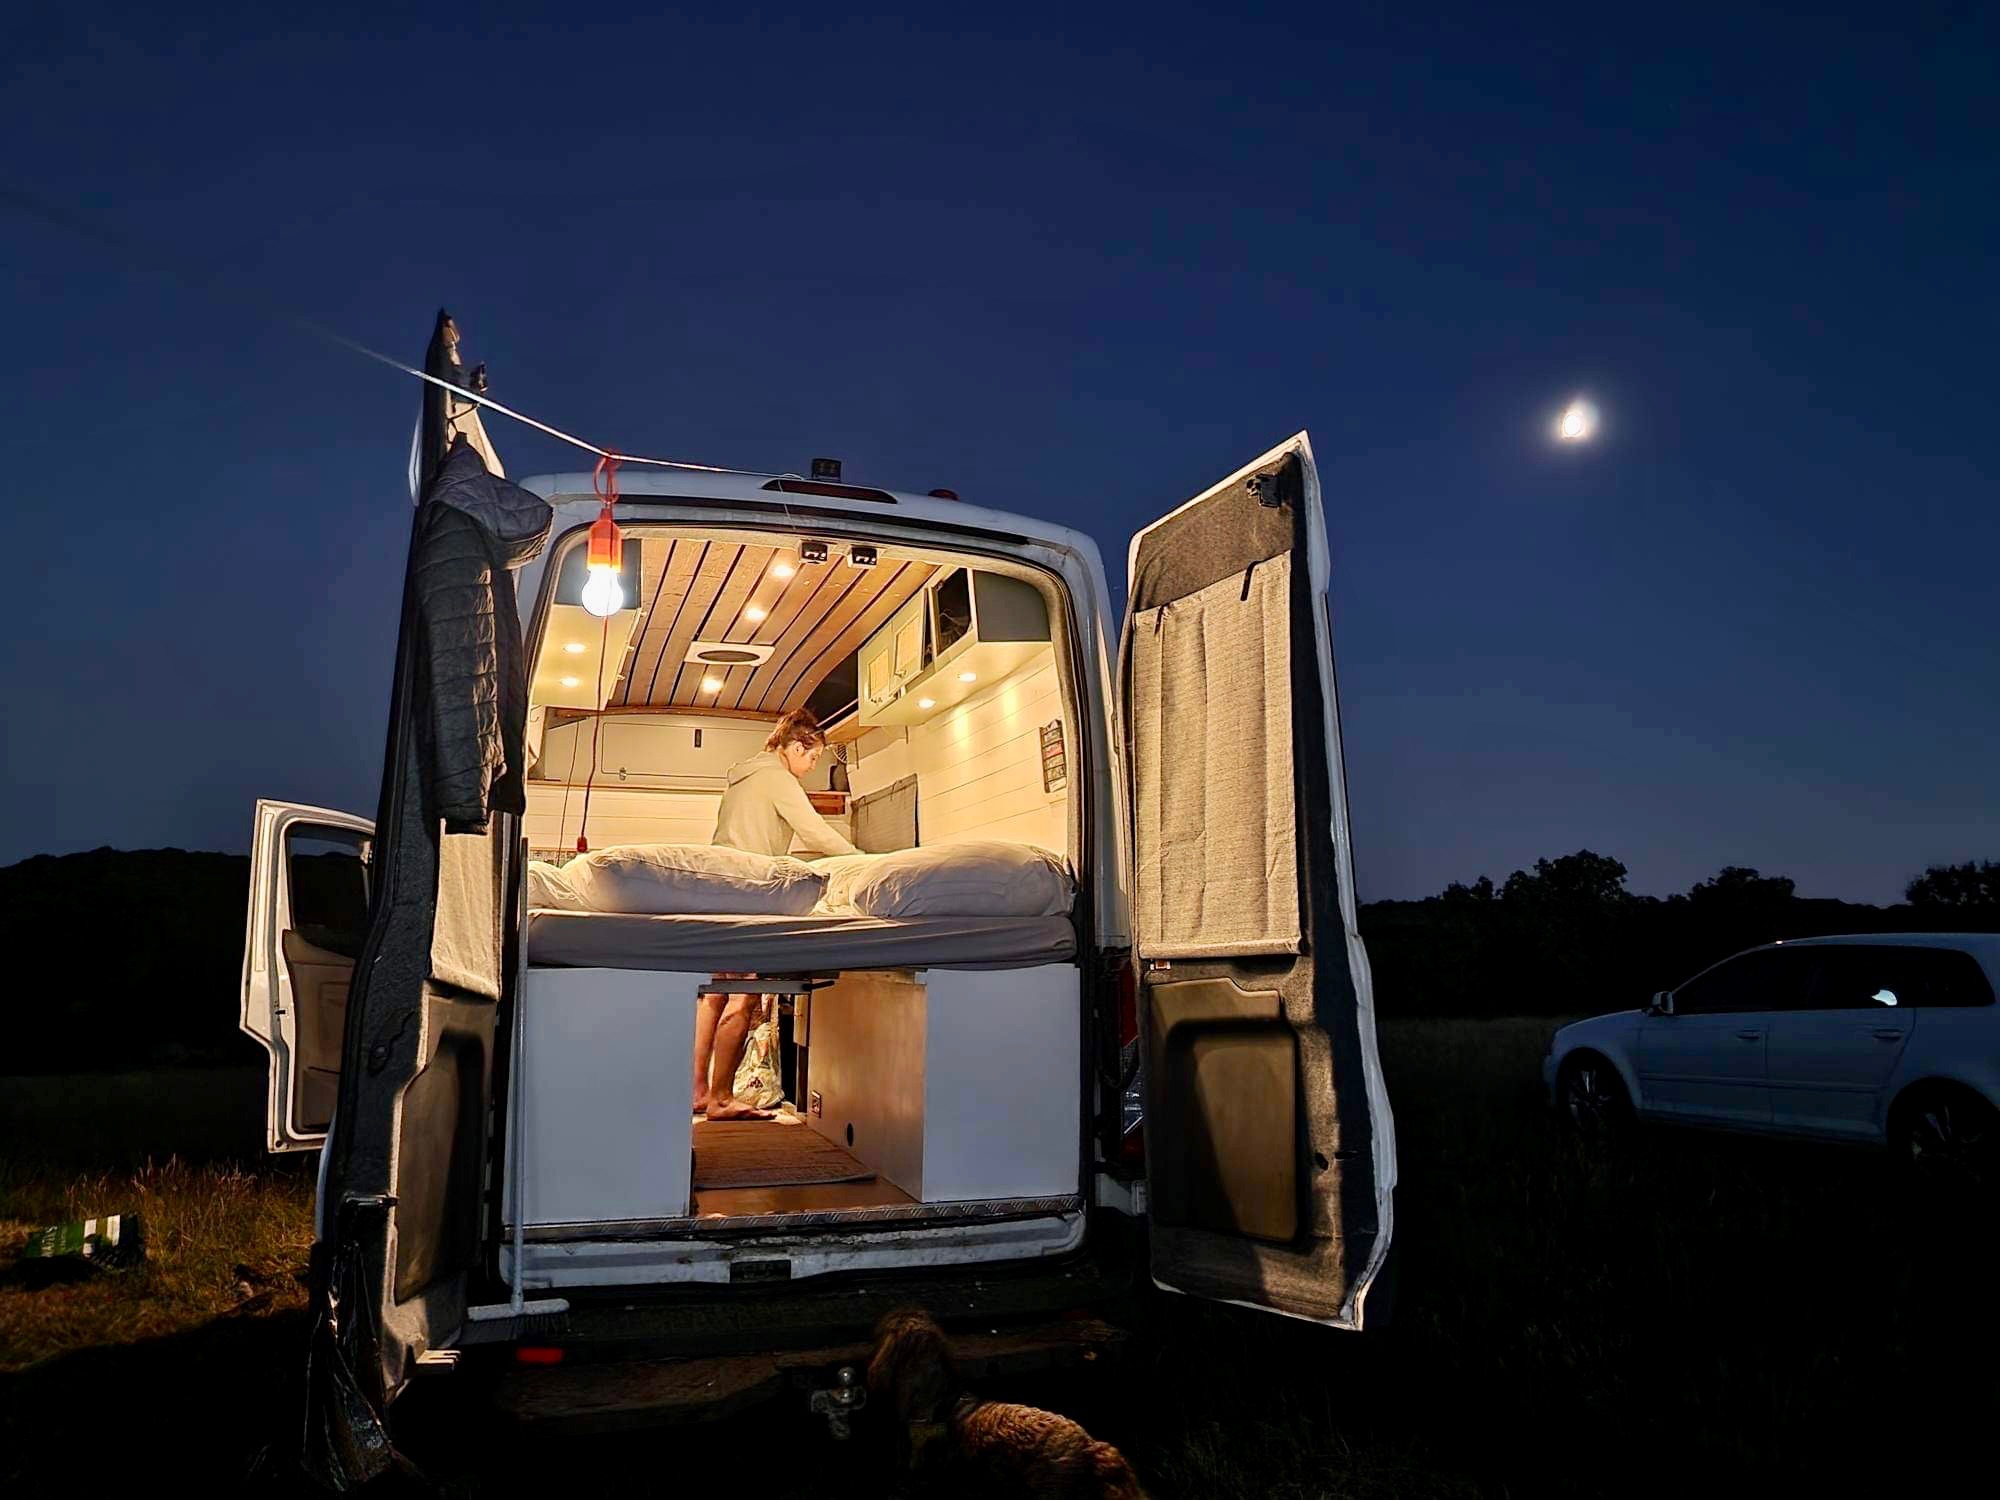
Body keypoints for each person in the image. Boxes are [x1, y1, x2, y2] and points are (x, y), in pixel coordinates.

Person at [693, 709, 859, 1120]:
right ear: (797, 747)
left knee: (714, 994)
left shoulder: (743, 777)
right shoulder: (778, 778)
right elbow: (814, 830)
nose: (812, 766)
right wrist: (862, 859)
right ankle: (721, 1099)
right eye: (813, 757)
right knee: (743, 994)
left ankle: (697, 1091)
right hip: (748, 891)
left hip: (719, 887)